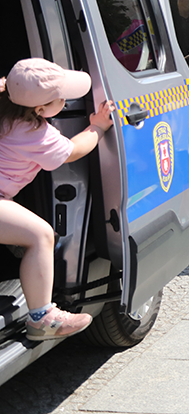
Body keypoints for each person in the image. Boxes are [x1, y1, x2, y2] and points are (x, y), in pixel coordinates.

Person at [0, 58, 114, 340]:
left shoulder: (5, 100)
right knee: (40, 235)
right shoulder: (32, 133)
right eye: (60, 98)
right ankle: (42, 319)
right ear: (40, 110)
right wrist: (97, 127)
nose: (65, 101)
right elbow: (73, 151)